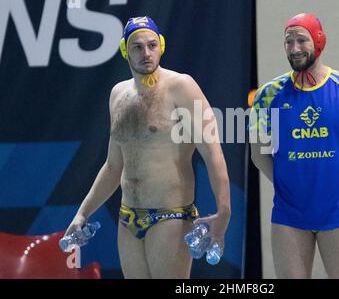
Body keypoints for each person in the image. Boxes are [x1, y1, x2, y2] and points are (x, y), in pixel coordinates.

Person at [64, 16, 231, 278]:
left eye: (152, 45)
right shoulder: (118, 94)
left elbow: (213, 153)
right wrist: (82, 213)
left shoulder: (181, 87)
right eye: (137, 47)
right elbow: (113, 166)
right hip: (128, 217)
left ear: (161, 46)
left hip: (171, 216)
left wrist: (224, 212)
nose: (146, 53)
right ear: (124, 50)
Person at [250, 13, 339, 279]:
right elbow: (257, 153)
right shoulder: (268, 95)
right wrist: (285, 185)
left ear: (319, 41)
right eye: (289, 42)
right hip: (290, 215)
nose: (295, 48)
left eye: (302, 40)